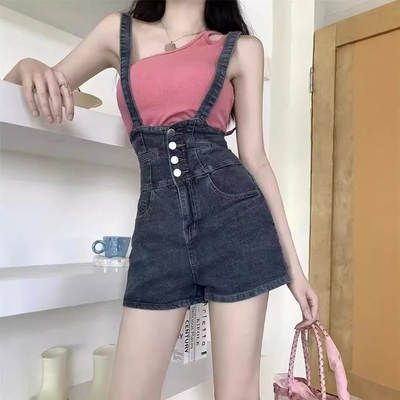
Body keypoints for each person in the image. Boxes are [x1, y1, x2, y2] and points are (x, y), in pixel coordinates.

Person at [4, 0, 319, 399]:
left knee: (237, 392)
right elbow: (29, 86)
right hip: (158, 231)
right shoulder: (117, 32)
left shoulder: (242, 49)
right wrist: (28, 65)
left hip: (237, 225)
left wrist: (295, 272)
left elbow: (256, 160)